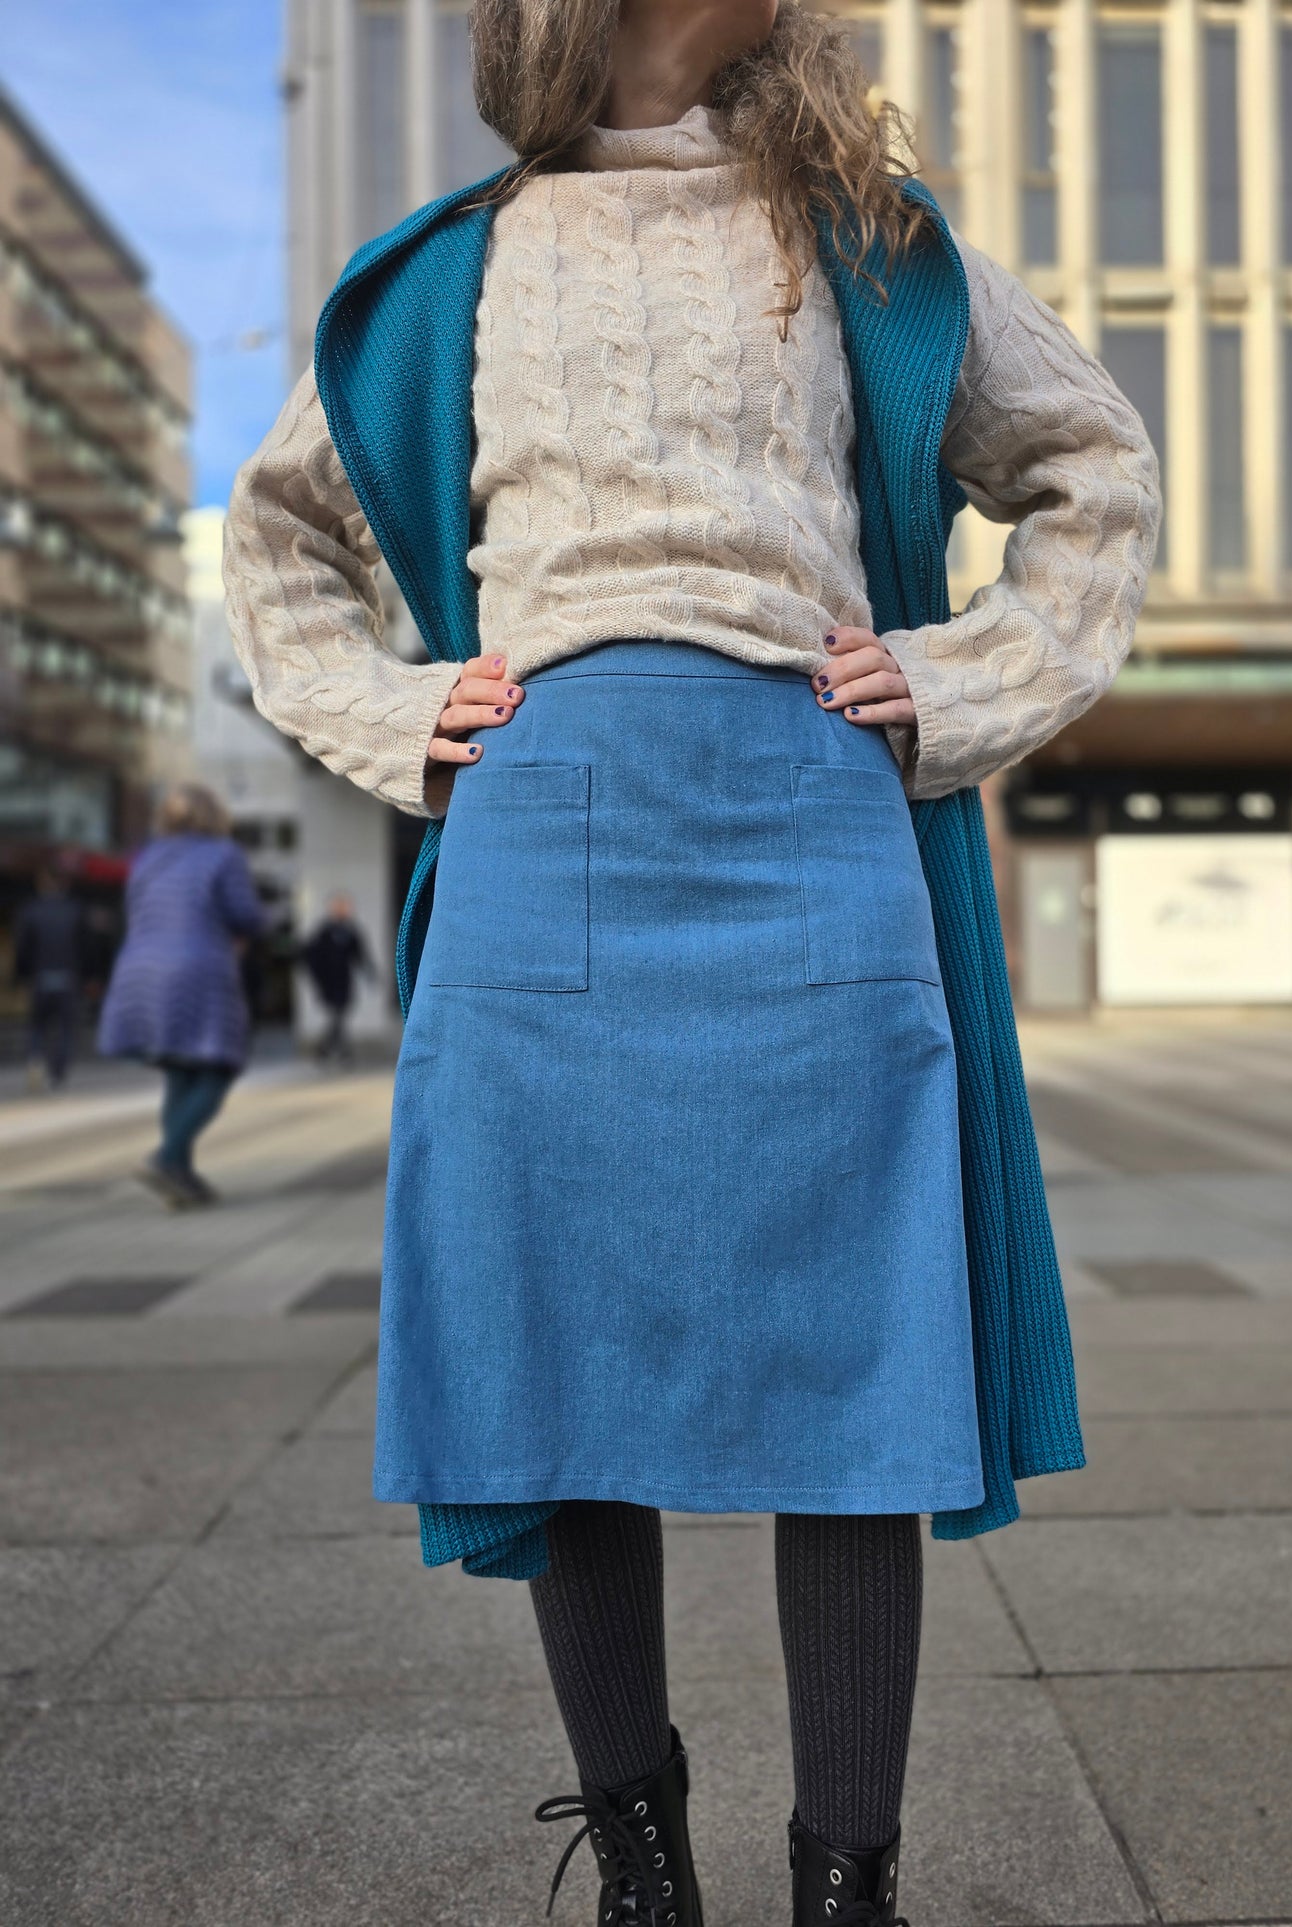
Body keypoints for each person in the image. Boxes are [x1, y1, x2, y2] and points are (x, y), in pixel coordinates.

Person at [223, 2, 1161, 1919]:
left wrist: (968, 677)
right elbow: (281, 536)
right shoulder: (452, 267)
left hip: (813, 813)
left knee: (863, 1356)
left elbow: (1089, 467)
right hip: (539, 815)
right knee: (543, 1342)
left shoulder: (870, 243)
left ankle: (848, 1883)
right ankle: (644, 1861)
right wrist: (395, 716)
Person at [98, 783, 266, 1209]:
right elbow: (244, 913)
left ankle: (182, 1179)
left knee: (179, 1069)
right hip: (198, 967)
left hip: (141, 969)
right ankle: (166, 1158)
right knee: (218, 1067)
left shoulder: (148, 857)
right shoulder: (222, 854)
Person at [13, 868, 85, 1092]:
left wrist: (21, 976)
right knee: (65, 1028)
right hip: (68, 978)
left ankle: (35, 1059)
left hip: (40, 978)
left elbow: (22, 948)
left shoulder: (30, 911)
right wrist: (90, 976)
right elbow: (86, 949)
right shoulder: (75, 911)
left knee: (37, 1026)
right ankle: (57, 1074)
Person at [301, 893, 375, 1063]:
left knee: (339, 1016)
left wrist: (370, 974)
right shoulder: (324, 931)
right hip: (328, 982)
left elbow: (360, 954)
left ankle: (329, 1050)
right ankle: (336, 1050)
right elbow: (310, 954)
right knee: (337, 1016)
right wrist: (317, 977)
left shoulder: (350, 930)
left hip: (344, 980)